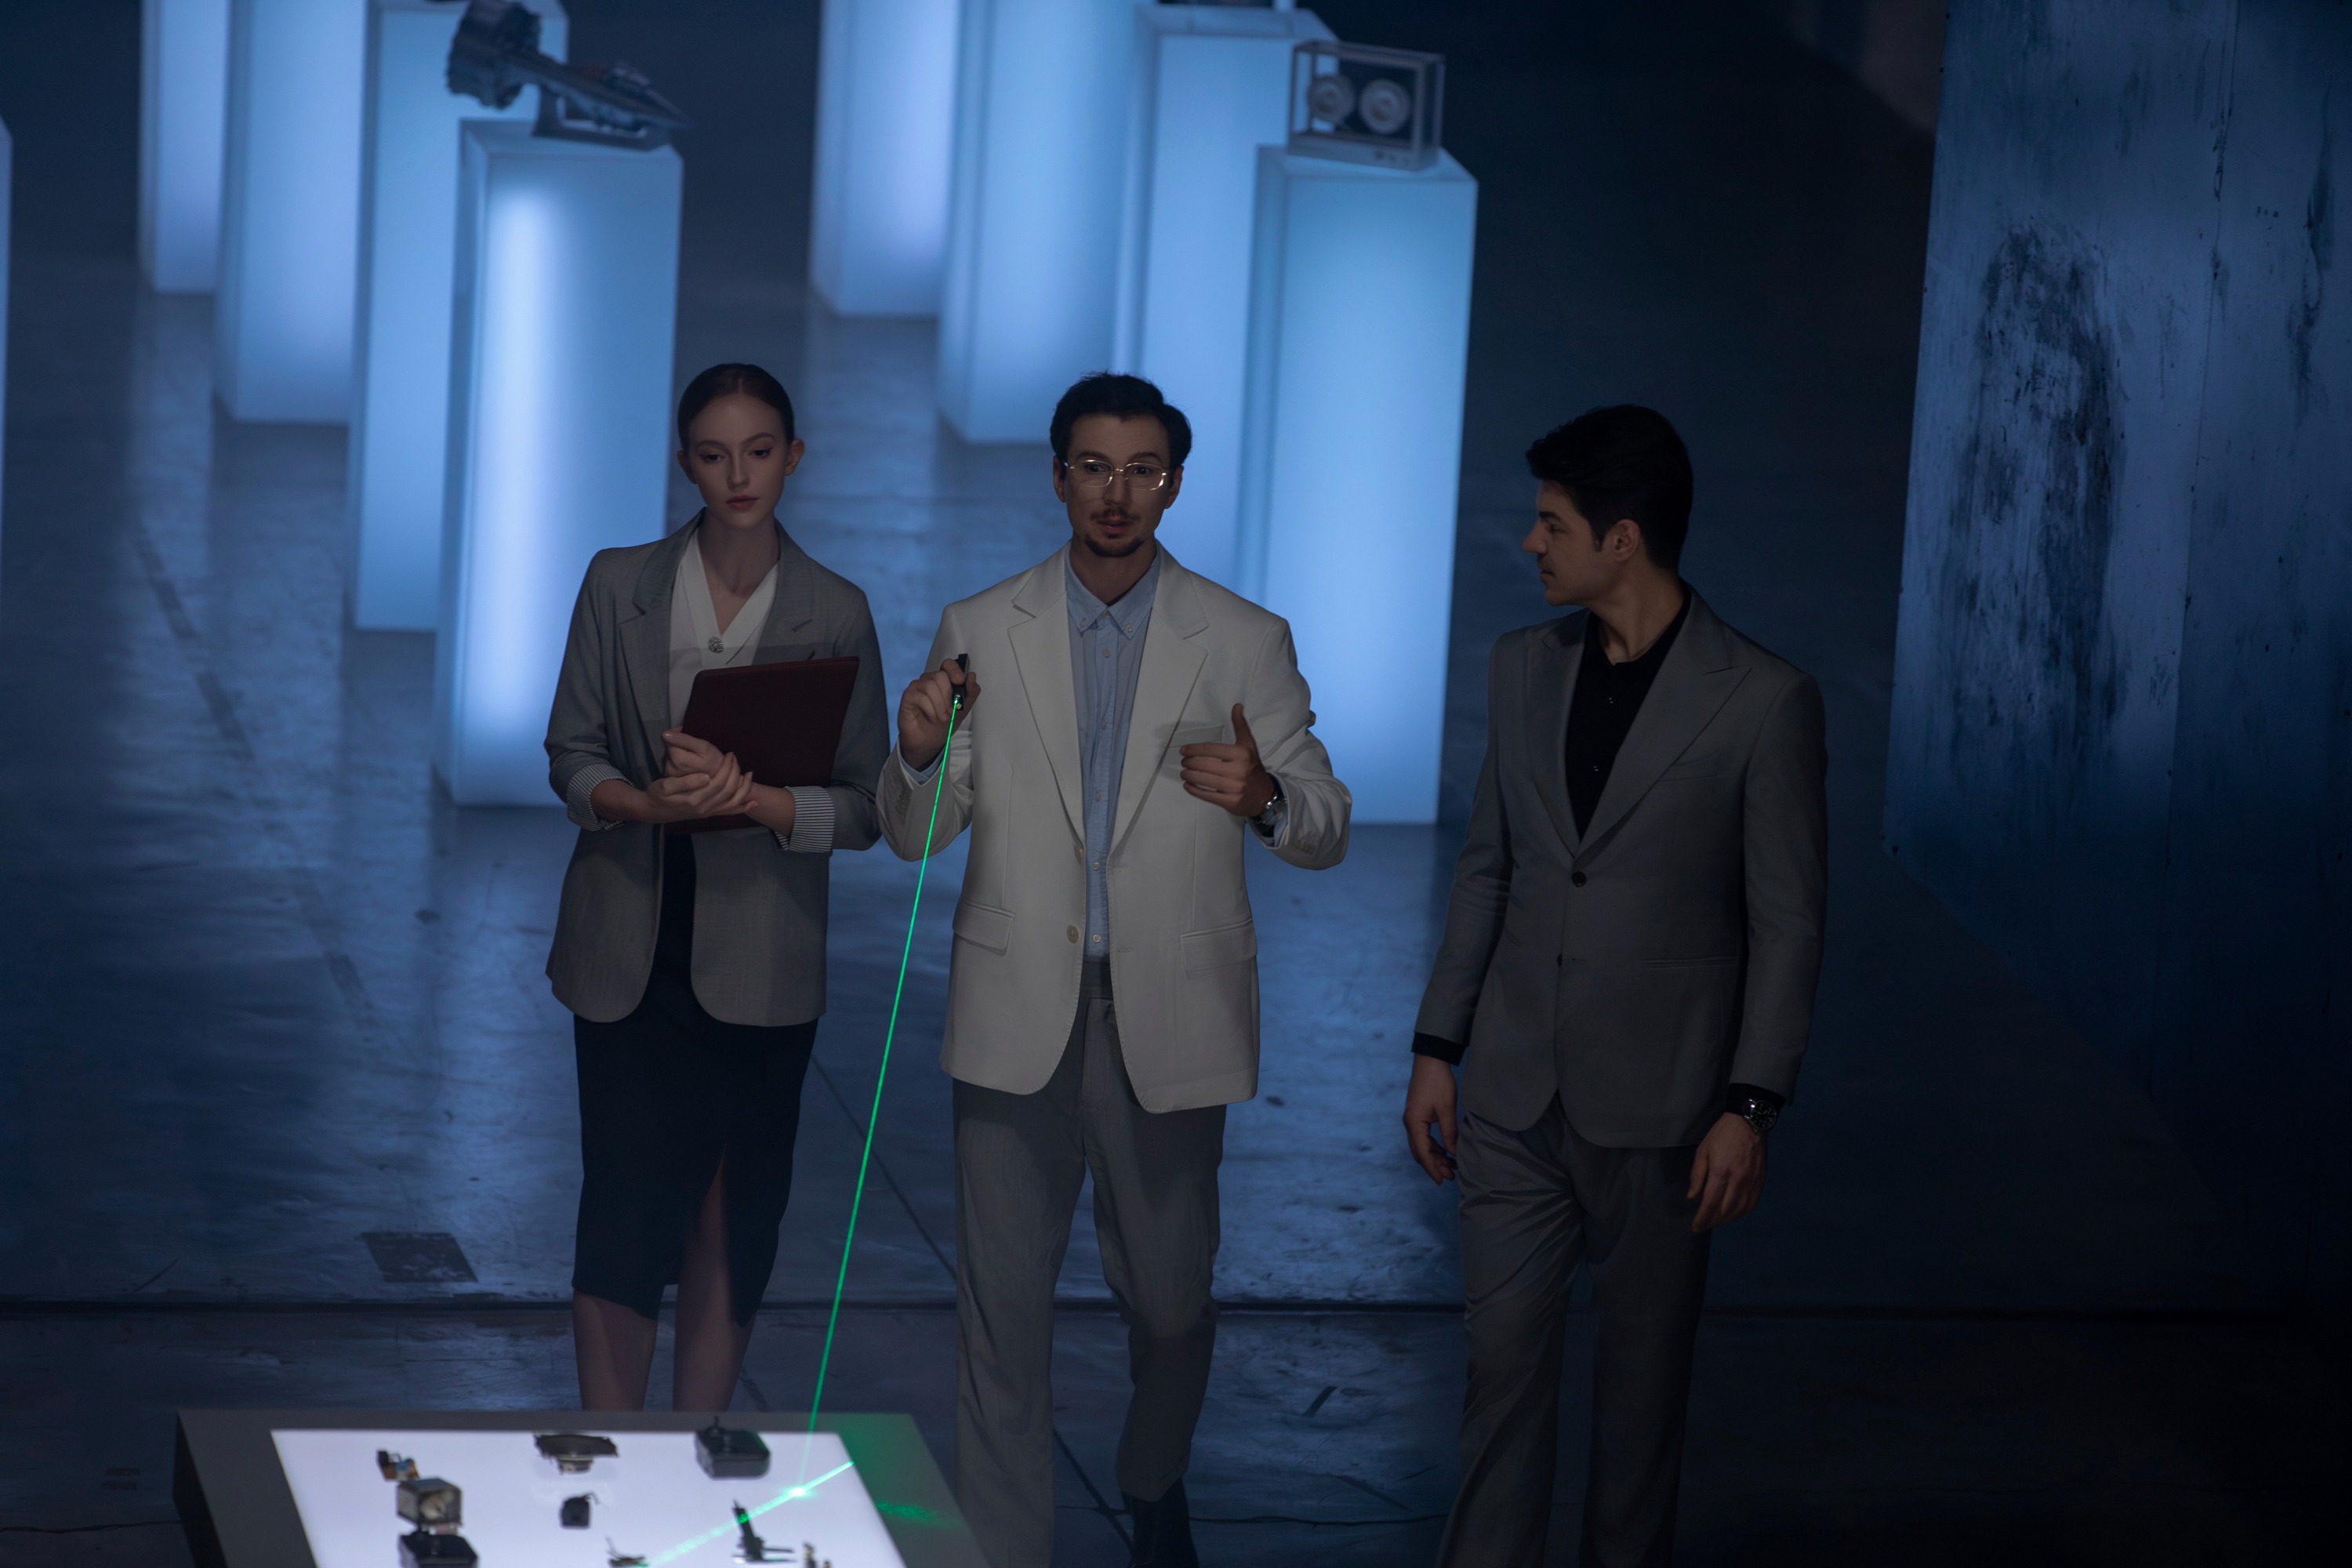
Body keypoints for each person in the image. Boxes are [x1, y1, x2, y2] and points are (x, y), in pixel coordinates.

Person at [879, 373, 1352, 1567]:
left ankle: (1151, 1478)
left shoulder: (1245, 638)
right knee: (1000, 1322)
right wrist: (918, 752)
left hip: (1170, 1018)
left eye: (1143, 470)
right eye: (1095, 466)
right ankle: (1006, 1550)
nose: (1118, 493)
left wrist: (1266, 797)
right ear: (1057, 476)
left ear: (1175, 485)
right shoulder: (982, 627)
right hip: (1014, 1015)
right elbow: (918, 830)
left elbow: (1327, 822)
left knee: (1175, 1307)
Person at [1403, 405, 1828, 1566]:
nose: (1530, 544)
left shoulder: (1762, 703)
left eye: (1551, 524)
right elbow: (1488, 868)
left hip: (1668, 1114)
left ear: (1623, 539)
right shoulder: (1518, 669)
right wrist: (1438, 1046)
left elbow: (1789, 926)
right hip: (1513, 1102)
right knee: (1498, 1386)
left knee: (1640, 1419)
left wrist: (1751, 1106)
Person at [543, 362, 889, 1411]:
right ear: (683, 461)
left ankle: (691, 1456)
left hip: (764, 958)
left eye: (758, 449)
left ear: (793, 455)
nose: (737, 473)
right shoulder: (619, 584)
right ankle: (609, 1458)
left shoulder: (835, 609)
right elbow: (570, 753)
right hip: (629, 945)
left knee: (734, 1215)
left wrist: (765, 803)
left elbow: (869, 803)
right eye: (713, 452)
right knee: (624, 1205)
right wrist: (647, 805)